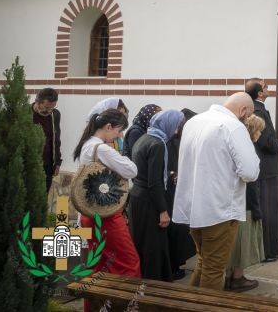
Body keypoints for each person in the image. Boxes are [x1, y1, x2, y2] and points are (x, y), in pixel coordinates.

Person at [172, 93, 260, 291]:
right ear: (243, 110)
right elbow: (250, 172)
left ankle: (188, 305)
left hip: (194, 206)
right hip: (219, 209)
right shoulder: (233, 126)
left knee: (204, 261)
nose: (246, 120)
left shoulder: (194, 121)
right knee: (214, 268)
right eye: (247, 115)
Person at [73, 108, 140, 312]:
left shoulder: (86, 145)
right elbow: (132, 170)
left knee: (98, 265)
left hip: (89, 213)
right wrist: (116, 152)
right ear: (108, 127)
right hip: (107, 215)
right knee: (129, 263)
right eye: (119, 131)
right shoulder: (101, 149)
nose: (119, 136)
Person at [129, 109, 185, 282]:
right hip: (149, 202)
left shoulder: (144, 138)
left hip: (138, 198)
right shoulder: (158, 144)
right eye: (177, 125)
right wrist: (163, 210)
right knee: (153, 247)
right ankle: (152, 290)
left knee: (142, 244)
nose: (177, 130)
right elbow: (155, 182)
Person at [245, 78, 278, 262]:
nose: (268, 88)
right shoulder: (257, 111)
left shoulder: (259, 108)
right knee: (266, 210)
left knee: (269, 210)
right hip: (264, 170)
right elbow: (264, 142)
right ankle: (266, 252)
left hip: (266, 169)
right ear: (260, 92)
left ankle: (269, 250)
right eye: (265, 86)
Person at [225, 114, 267, 292]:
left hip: (233, 202)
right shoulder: (249, 148)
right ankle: (237, 278)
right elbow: (250, 182)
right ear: (252, 131)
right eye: (259, 130)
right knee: (242, 242)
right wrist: (257, 209)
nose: (260, 134)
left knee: (233, 242)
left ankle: (229, 276)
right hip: (245, 204)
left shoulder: (236, 146)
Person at [166, 108, 197, 280]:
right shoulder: (170, 141)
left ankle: (177, 263)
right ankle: (174, 265)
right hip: (172, 191)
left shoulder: (182, 138)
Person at [32, 87, 62, 192]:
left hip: (48, 164)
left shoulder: (55, 114)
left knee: (43, 195)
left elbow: (56, 140)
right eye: (46, 108)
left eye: (52, 108)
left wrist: (57, 162)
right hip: (30, 164)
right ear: (37, 102)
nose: (49, 111)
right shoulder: (25, 113)